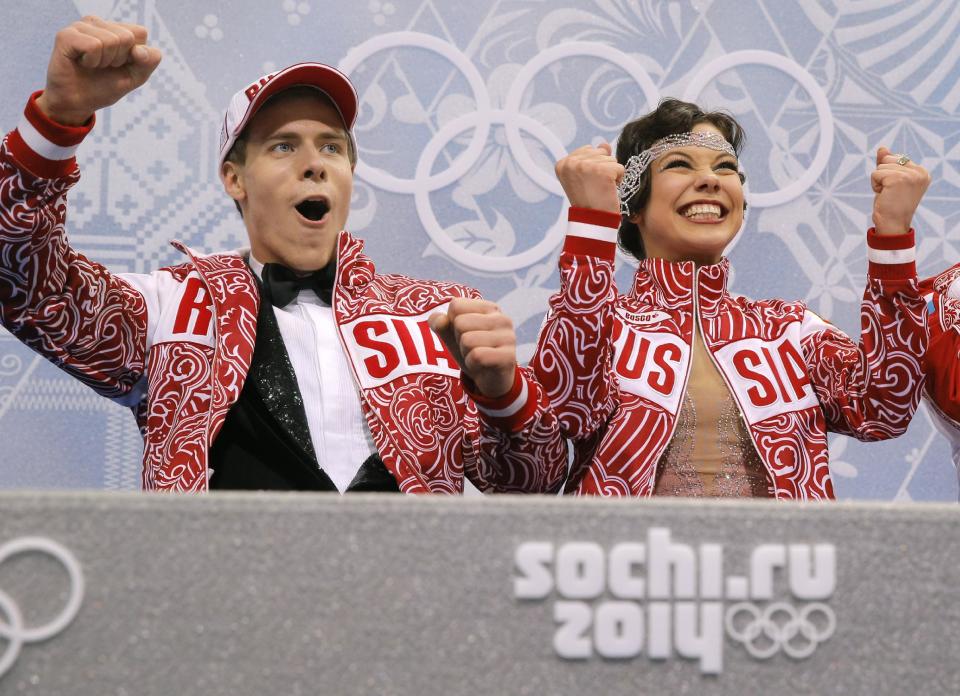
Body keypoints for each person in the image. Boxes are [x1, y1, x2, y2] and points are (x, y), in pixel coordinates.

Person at [0, 16, 565, 493]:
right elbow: (26, 284)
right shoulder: (170, 308)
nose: (314, 162)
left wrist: (504, 393)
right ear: (234, 178)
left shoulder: (439, 315)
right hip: (229, 612)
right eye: (284, 145)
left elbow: (535, 484)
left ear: (349, 174)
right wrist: (57, 121)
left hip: (407, 609)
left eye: (332, 147)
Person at [530, 97, 930, 498]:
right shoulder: (602, 324)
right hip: (631, 557)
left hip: (780, 559)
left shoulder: (789, 330)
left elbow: (884, 408)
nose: (711, 181)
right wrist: (591, 225)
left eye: (725, 168)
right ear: (632, 204)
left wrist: (893, 235)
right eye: (679, 164)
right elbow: (567, 409)